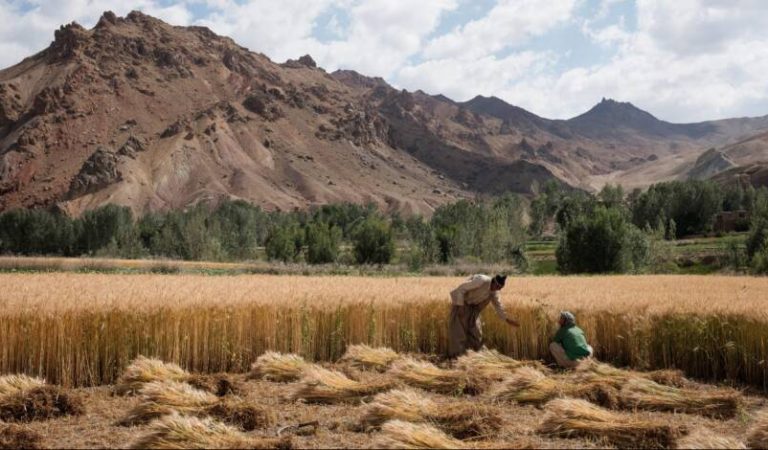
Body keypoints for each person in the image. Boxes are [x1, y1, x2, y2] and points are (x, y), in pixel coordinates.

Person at [448, 274, 519, 357]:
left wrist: (506, 319)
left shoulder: (494, 292)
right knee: (459, 333)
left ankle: (474, 357)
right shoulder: (481, 281)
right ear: (494, 282)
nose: (497, 290)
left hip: (474, 310)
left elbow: (498, 306)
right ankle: (457, 358)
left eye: (500, 289)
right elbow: (461, 289)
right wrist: (460, 306)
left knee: (476, 334)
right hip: (462, 304)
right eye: (497, 287)